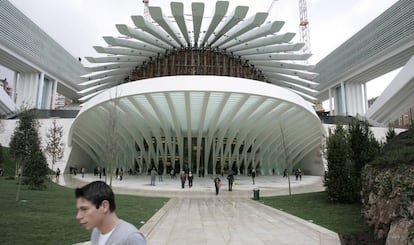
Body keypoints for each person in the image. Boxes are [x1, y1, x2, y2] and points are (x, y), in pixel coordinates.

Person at [75, 181, 146, 245]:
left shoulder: (131, 238)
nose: (78, 216)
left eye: (84, 209)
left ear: (104, 206)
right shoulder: (96, 231)